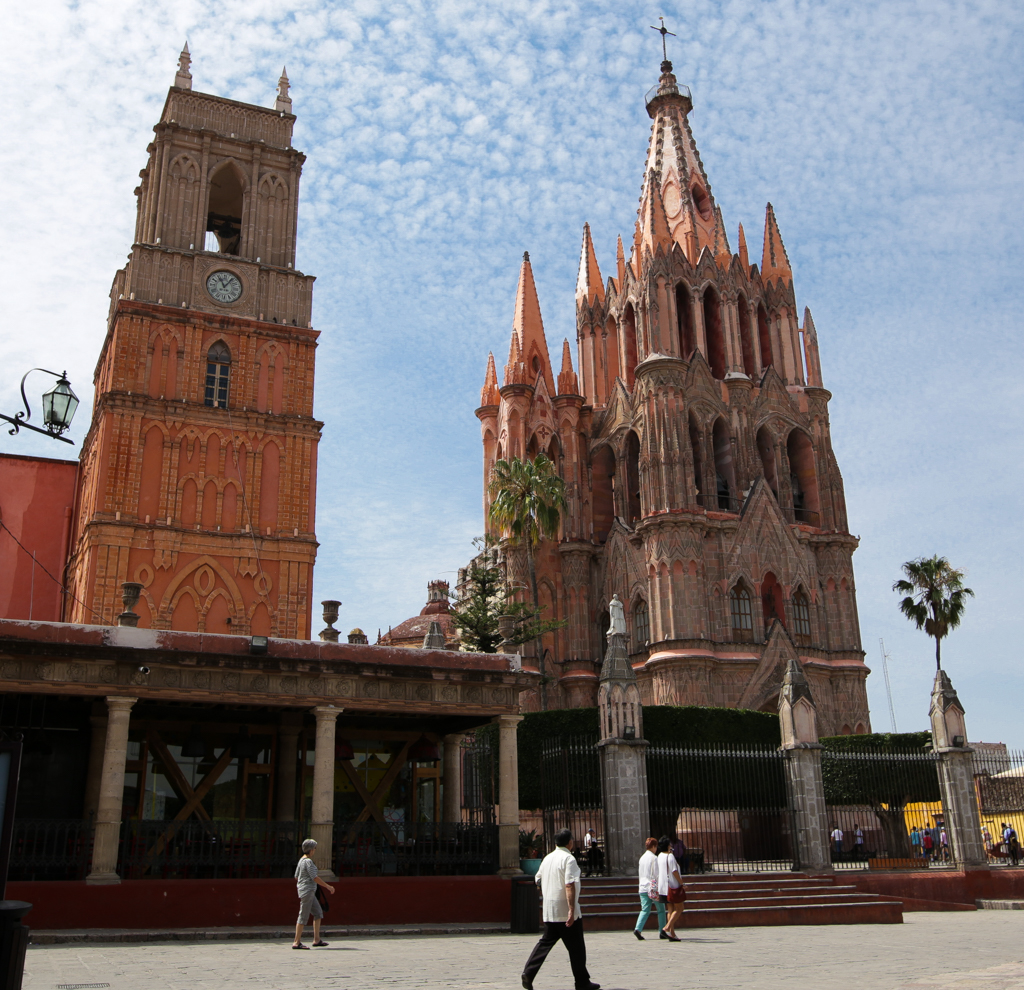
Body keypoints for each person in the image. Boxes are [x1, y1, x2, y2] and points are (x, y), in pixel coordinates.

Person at [521, 829, 600, 990]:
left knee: (545, 943)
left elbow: (538, 879)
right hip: (565, 911)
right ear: (569, 842)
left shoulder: (547, 858)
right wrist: (571, 909)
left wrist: (547, 892)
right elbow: (569, 884)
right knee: (577, 948)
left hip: (550, 910)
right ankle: (582, 982)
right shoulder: (568, 859)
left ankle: (529, 972)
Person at [293, 838, 335, 949]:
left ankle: (316, 939)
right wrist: (328, 886)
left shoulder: (301, 860)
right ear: (311, 850)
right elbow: (315, 877)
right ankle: (296, 942)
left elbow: (297, 876)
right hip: (308, 891)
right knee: (303, 916)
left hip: (306, 890)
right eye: (314, 849)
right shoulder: (308, 862)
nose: (315, 851)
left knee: (318, 913)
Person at [634, 837, 667, 940]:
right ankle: (662, 930)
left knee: (644, 909)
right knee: (661, 909)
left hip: (642, 887)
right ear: (653, 846)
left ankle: (638, 928)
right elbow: (656, 874)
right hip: (652, 887)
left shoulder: (642, 858)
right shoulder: (654, 858)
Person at [657, 835, 684, 942]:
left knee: (670, 910)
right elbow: (674, 871)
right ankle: (667, 928)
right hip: (672, 886)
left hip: (663, 887)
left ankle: (672, 934)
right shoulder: (670, 856)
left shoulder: (659, 856)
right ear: (668, 846)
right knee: (679, 908)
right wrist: (682, 883)